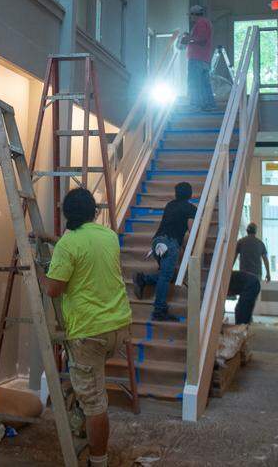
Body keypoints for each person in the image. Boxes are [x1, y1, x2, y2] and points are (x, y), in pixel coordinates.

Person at [45, 188, 132, 467]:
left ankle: (98, 461)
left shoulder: (68, 245)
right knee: (90, 387)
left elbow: (54, 290)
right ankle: (85, 428)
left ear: (67, 214)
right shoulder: (109, 236)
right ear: (94, 212)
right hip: (118, 327)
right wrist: (54, 241)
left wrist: (42, 270)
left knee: (94, 403)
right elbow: (86, 249)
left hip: (89, 332)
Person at [131, 181, 197, 322]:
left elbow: (170, 224)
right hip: (170, 244)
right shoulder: (191, 208)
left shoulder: (170, 205)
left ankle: (143, 279)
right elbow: (192, 231)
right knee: (166, 277)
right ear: (190, 194)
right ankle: (159, 310)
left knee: (168, 275)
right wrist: (191, 248)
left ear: (176, 194)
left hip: (157, 242)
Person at [227, 223, 272, 324]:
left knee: (244, 296)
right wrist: (268, 273)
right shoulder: (260, 243)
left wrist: (229, 269)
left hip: (244, 274)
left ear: (247, 231)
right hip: (256, 275)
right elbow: (265, 259)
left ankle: (245, 317)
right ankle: (247, 317)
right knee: (251, 297)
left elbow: (234, 256)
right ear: (255, 232)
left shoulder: (241, 242)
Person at [183, 4, 215, 111]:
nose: (190, 17)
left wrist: (188, 39)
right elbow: (201, 38)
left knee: (194, 82)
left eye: (191, 15)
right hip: (204, 58)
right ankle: (209, 105)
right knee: (204, 83)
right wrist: (190, 36)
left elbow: (202, 39)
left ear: (194, 14)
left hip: (197, 58)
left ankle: (195, 105)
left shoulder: (201, 23)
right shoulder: (205, 23)